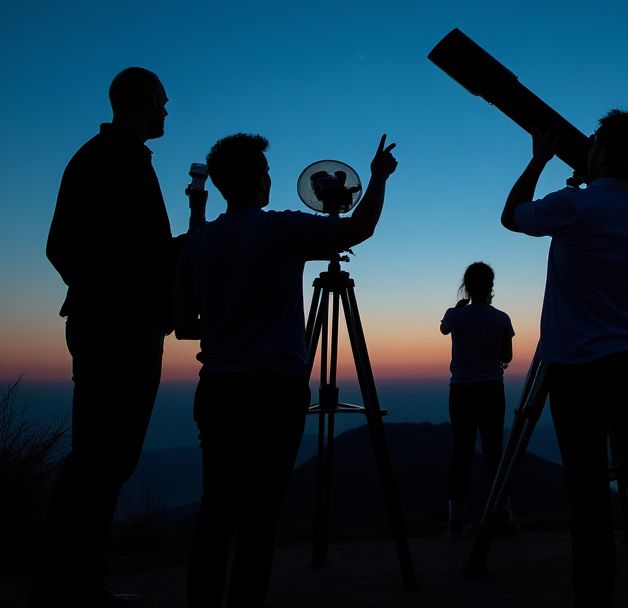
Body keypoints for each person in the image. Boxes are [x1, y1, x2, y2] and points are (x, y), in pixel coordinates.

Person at [173, 132, 398, 608]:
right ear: (259, 179)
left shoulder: (199, 241)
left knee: (217, 508)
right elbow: (359, 229)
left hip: (216, 386)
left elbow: (184, 323)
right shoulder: (280, 229)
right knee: (259, 515)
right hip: (275, 388)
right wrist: (377, 178)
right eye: (268, 171)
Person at [503, 109, 628, 608]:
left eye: (593, 144)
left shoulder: (572, 207)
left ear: (603, 153)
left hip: (575, 372)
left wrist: (538, 160)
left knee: (587, 499)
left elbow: (512, 214)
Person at [32, 67, 201, 608]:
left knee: (104, 456)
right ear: (145, 100)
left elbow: (118, 251)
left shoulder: (114, 158)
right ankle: (73, 586)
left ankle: (75, 580)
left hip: (119, 321)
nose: (168, 111)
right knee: (101, 457)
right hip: (120, 326)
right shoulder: (111, 159)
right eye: (164, 102)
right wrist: (120, 295)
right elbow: (69, 247)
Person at [439, 260, 515, 536]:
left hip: (461, 391)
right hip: (492, 390)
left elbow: (443, 329)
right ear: (491, 286)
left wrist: (458, 310)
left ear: (466, 287)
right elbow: (506, 357)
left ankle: (456, 520)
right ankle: (502, 514)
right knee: (495, 451)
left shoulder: (456, 315)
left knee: (462, 452)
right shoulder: (502, 318)